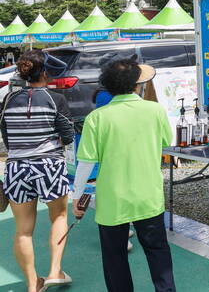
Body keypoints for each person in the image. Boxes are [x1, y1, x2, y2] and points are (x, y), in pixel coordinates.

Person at [71, 58, 176, 292]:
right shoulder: (154, 110)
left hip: (112, 200)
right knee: (158, 251)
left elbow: (85, 163)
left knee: (114, 257)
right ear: (136, 83)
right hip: (148, 195)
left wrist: (77, 196)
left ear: (107, 85)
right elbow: (166, 141)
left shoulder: (97, 117)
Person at [1, 50, 75, 292]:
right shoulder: (56, 99)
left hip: (16, 167)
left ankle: (33, 285)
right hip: (49, 165)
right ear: (44, 73)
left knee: (22, 230)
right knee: (59, 217)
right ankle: (55, 271)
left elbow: (7, 137)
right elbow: (67, 135)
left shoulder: (8, 100)